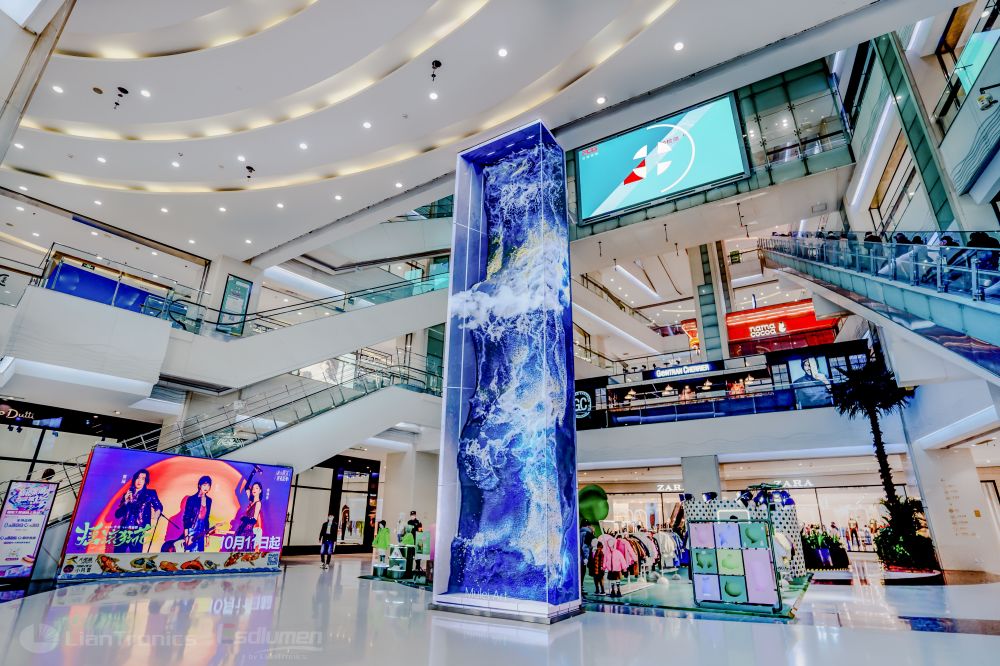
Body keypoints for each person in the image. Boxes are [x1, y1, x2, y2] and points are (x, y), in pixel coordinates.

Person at [113, 468, 163, 553]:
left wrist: (156, 514)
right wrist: (125, 502)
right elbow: (117, 515)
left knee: (136, 556)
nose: (139, 481)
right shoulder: (127, 494)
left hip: (138, 531)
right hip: (124, 531)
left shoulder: (149, 493)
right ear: (134, 479)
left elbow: (158, 506)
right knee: (117, 555)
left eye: (143, 479)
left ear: (145, 481)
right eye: (138, 478)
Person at [181, 476, 214, 552]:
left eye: (208, 485)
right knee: (190, 552)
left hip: (201, 530)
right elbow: (186, 518)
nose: (206, 487)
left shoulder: (209, 500)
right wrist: (186, 535)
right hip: (192, 529)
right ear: (199, 485)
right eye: (204, 485)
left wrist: (207, 536)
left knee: (200, 552)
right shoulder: (192, 499)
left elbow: (206, 519)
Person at [234, 481, 264, 551]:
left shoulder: (258, 503)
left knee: (244, 551)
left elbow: (254, 520)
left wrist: (245, 518)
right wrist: (252, 474)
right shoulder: (250, 502)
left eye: (256, 488)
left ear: (260, 491)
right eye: (253, 488)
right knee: (237, 551)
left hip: (247, 531)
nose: (254, 490)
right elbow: (246, 487)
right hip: (241, 529)